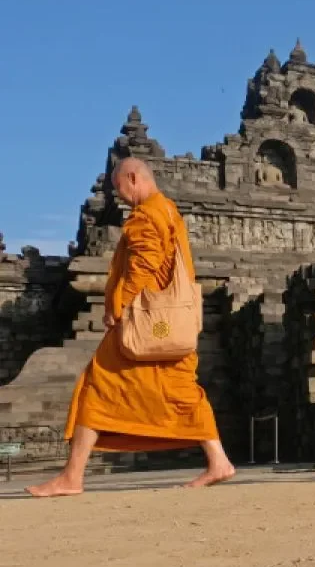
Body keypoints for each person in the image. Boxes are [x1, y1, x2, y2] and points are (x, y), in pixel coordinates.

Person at [26, 158, 235, 497]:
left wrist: (118, 305)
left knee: (97, 383)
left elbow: (143, 265)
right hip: (170, 326)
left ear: (133, 178)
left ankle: (72, 476)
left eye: (119, 187)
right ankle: (219, 461)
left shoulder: (147, 215)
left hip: (145, 323)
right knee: (182, 390)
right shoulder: (168, 210)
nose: (118, 196)